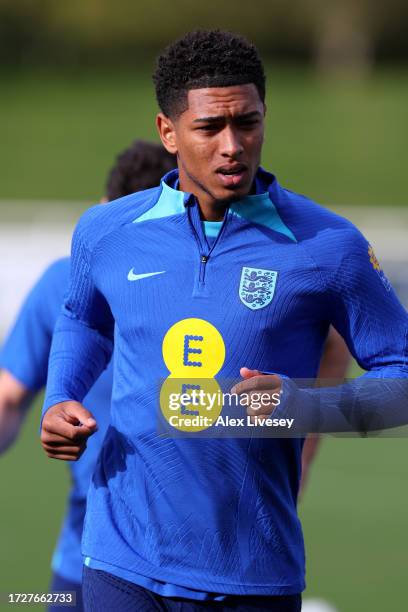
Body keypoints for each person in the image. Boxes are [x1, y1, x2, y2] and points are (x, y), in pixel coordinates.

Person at [40, 30, 408, 612]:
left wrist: (304, 405)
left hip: (254, 574)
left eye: (248, 123)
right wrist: (60, 395)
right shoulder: (106, 232)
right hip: (121, 562)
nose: (232, 145)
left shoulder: (328, 246)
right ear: (168, 132)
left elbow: (402, 373)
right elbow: (82, 319)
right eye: (210, 128)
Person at [0, 140, 176, 611]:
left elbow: (6, 400)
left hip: (101, 557)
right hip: (168, 555)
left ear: (103, 208)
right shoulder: (201, 284)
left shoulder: (64, 279)